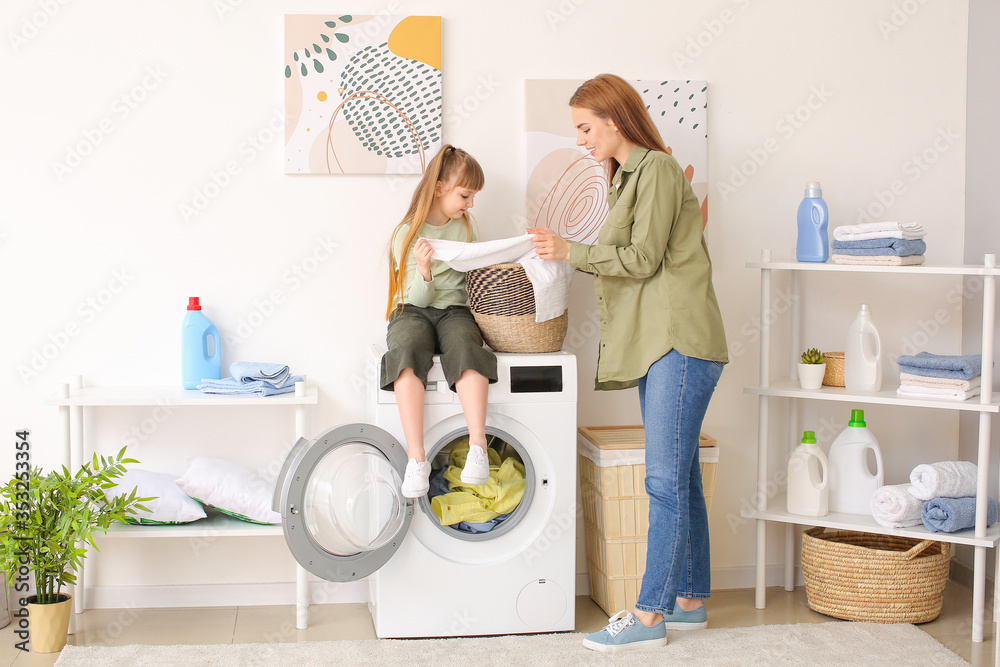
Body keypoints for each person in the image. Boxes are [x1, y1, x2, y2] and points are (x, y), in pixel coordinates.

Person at [529, 73, 728, 652]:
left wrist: (570, 250)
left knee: (663, 481)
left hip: (680, 341)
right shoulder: (623, 181)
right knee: (680, 474)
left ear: (615, 119)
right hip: (658, 343)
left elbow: (640, 260)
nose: (581, 140)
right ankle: (689, 601)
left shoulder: (659, 171)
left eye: (586, 128)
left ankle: (648, 617)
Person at [382, 144, 498, 499]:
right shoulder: (407, 233)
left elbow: (469, 281)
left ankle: (477, 445)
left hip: (454, 310)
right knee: (406, 350)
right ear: (439, 188)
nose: (470, 204)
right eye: (465, 195)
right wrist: (427, 270)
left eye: (474, 196)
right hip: (412, 308)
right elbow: (417, 299)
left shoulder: (465, 227)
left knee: (466, 345)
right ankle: (417, 457)